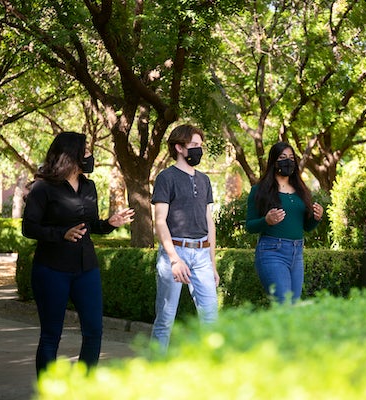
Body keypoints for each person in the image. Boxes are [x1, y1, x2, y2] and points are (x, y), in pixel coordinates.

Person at [22, 131, 134, 377]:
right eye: (85, 151)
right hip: (51, 269)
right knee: (51, 334)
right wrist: (61, 233)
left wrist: (110, 223)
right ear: (71, 155)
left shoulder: (89, 186)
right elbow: (28, 228)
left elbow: (90, 225)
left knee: (94, 331)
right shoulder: (43, 188)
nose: (90, 156)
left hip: (86, 268)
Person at [150, 124, 219, 351]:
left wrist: (213, 263)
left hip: (202, 254)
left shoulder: (204, 180)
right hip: (175, 252)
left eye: (201, 145)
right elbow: (160, 220)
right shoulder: (166, 178)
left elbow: (209, 222)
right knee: (165, 319)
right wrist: (173, 259)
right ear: (179, 147)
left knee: (211, 319)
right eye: (194, 145)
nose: (199, 150)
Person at [246, 142, 324, 303]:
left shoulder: (301, 190)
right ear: (274, 162)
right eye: (282, 157)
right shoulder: (259, 190)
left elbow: (306, 227)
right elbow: (250, 226)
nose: (287, 161)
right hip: (271, 251)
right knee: (284, 305)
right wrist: (266, 221)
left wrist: (316, 218)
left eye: (291, 158)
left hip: (297, 253)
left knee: (292, 309)